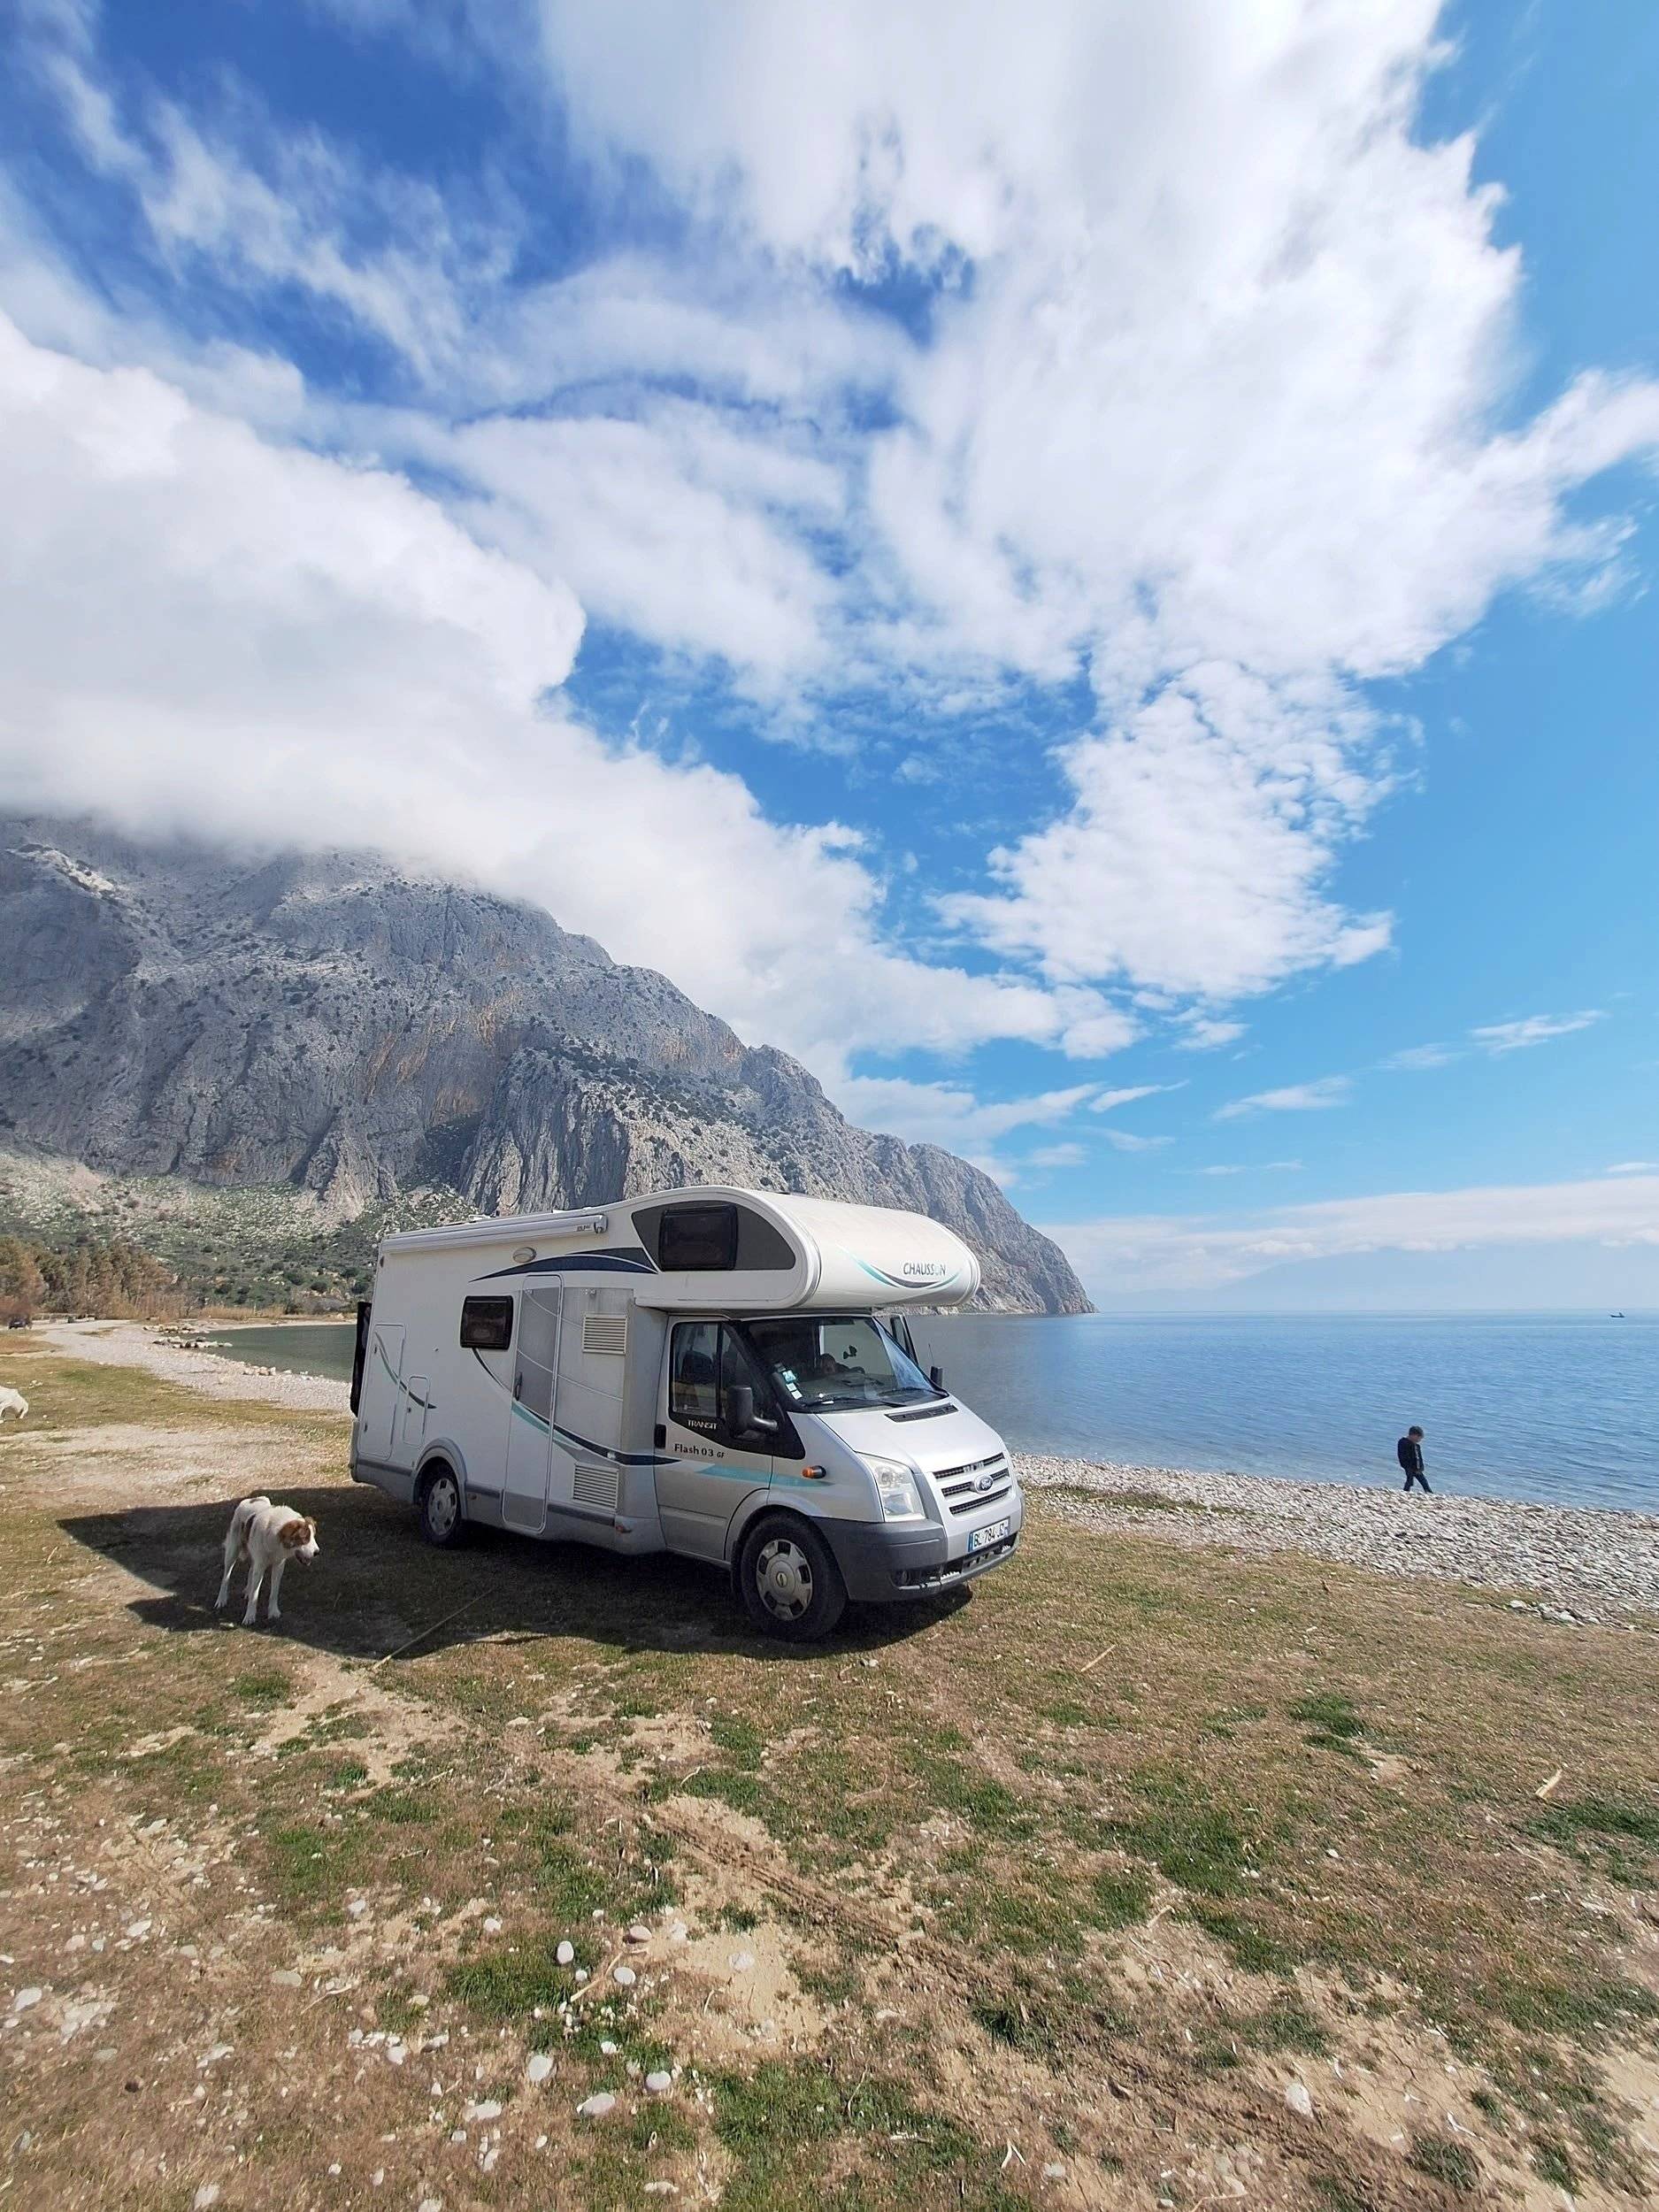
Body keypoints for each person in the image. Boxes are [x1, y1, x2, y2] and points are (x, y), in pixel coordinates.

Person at [1396, 1425, 1431, 1494]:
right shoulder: (1404, 1442)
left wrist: (1421, 1467)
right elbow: (1403, 1455)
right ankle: (1406, 1491)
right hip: (1409, 1466)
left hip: (1416, 1467)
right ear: (1414, 1435)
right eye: (1419, 1438)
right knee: (1410, 1480)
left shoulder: (1416, 1446)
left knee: (1423, 1481)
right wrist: (1407, 1465)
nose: (1419, 1440)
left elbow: (1419, 1458)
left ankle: (1429, 1492)